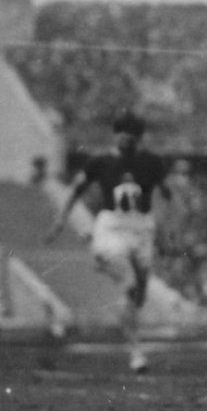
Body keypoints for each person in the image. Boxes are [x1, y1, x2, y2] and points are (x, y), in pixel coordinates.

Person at [46, 111, 172, 373]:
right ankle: (136, 353)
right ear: (115, 135)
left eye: (132, 134)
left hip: (141, 228)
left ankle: (122, 300)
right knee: (130, 285)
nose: (126, 138)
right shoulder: (100, 162)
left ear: (139, 137)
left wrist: (163, 229)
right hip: (112, 226)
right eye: (122, 133)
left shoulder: (152, 163)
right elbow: (75, 190)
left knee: (139, 296)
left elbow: (167, 195)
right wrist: (60, 221)